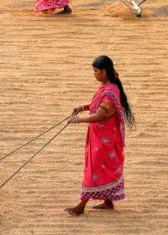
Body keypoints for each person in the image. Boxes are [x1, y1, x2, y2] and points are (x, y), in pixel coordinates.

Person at [65, 55, 135, 216]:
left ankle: (81, 206)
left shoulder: (111, 91)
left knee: (94, 169)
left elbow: (99, 116)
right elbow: (97, 106)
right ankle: (108, 202)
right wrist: (83, 107)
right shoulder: (108, 88)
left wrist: (77, 120)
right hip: (102, 136)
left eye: (96, 71)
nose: (94, 74)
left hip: (105, 140)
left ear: (104, 72)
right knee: (102, 167)